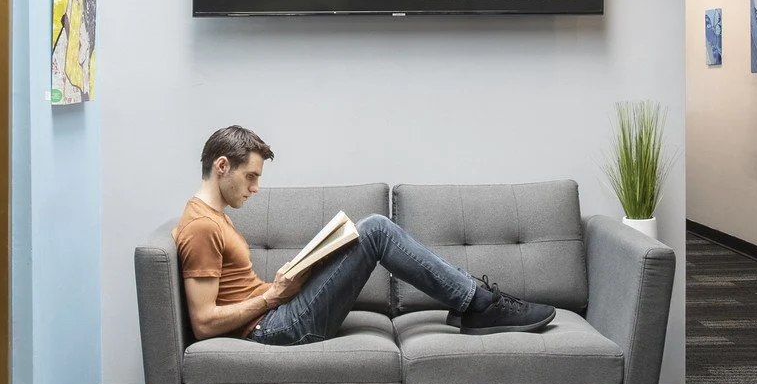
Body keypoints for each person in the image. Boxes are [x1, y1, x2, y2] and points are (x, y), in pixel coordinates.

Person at [174, 125, 555, 345]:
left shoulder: (211, 217)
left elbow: (234, 290)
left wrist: (287, 280)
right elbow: (204, 322)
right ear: (222, 166)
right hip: (273, 328)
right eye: (251, 176)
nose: (256, 187)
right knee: (375, 229)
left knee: (365, 230)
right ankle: (479, 303)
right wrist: (273, 296)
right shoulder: (202, 227)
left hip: (274, 312)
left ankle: (477, 301)